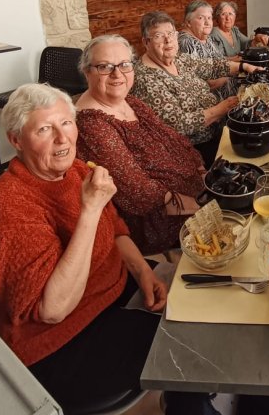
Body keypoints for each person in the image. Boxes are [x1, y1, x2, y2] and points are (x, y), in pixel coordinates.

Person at [0, 82, 226, 415]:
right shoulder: (7, 208)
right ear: (16, 141)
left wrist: (140, 272)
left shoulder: (74, 171)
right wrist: (89, 209)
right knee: (187, 344)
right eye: (43, 129)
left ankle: (186, 403)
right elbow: (52, 309)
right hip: (56, 342)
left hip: (109, 290)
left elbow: (115, 228)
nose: (62, 139)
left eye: (66, 124)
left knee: (205, 301)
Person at [75, 34, 205, 255]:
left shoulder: (130, 101)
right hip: (164, 224)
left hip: (197, 194)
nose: (117, 74)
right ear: (87, 72)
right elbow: (139, 191)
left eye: (125, 64)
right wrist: (204, 209)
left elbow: (174, 138)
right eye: (105, 66)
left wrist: (203, 172)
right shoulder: (92, 124)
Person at [132, 11, 262, 167]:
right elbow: (178, 125)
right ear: (146, 42)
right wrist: (222, 108)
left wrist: (244, 66)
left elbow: (212, 66)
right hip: (194, 152)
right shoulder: (145, 79)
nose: (168, 40)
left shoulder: (178, 58)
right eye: (159, 36)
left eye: (171, 34)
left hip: (217, 131)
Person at [178, 0, 232, 98]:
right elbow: (201, 82)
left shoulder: (206, 38)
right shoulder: (186, 42)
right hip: (206, 99)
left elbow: (220, 62)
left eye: (209, 18)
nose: (207, 23)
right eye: (201, 18)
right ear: (188, 22)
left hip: (223, 94)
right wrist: (230, 78)